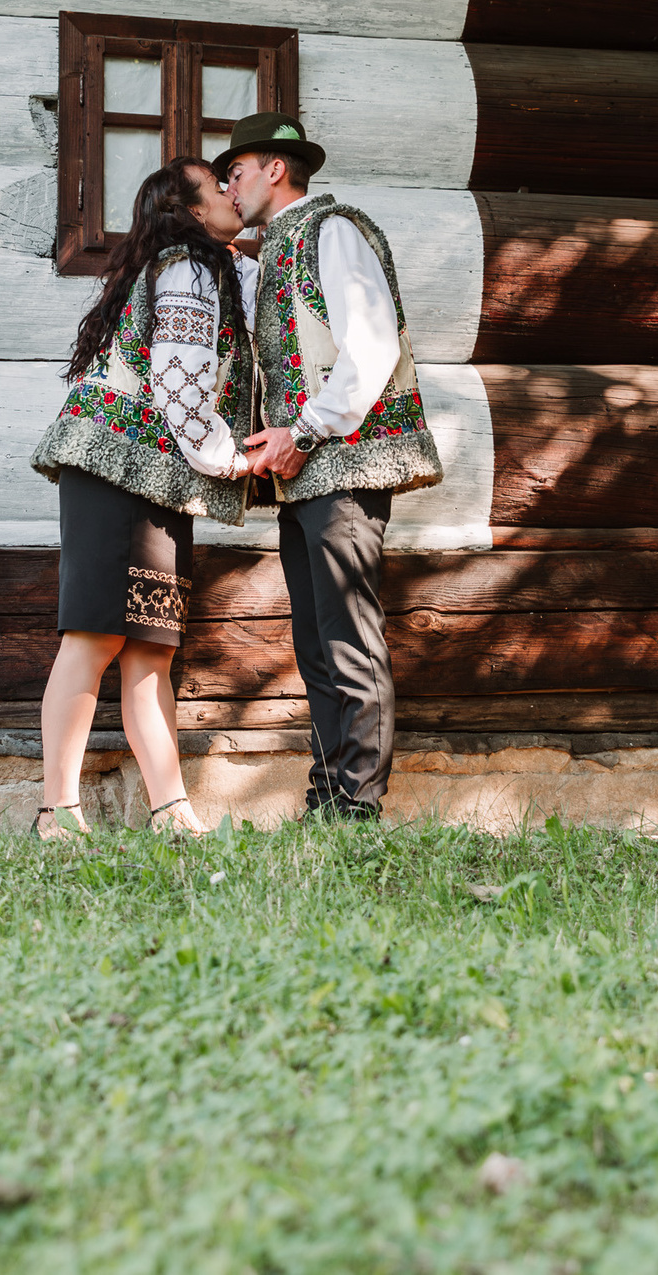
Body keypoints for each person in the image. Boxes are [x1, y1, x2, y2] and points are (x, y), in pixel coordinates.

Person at [214, 113, 443, 821]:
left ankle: (358, 806)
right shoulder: (277, 247)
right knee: (316, 638)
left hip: (341, 466)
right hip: (304, 473)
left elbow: (369, 348)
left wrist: (304, 431)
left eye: (238, 171)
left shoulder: (332, 231)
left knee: (348, 636)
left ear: (275, 169)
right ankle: (330, 795)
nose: (229, 184)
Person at [27, 157, 258, 840]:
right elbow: (181, 390)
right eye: (216, 186)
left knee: (150, 648)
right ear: (186, 211)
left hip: (149, 475)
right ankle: (57, 812)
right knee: (94, 637)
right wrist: (236, 459)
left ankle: (171, 811)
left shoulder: (198, 267)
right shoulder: (187, 268)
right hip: (112, 468)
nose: (229, 191)